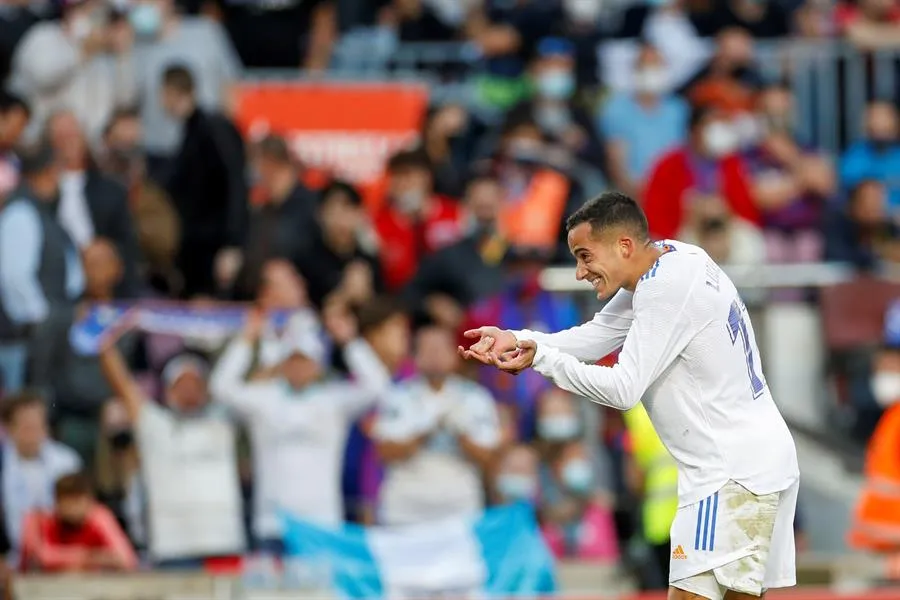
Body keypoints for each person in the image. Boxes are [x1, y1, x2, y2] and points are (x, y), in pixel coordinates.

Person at [460, 191, 799, 600]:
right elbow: (597, 336)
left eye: (585, 255)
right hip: (752, 460)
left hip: (729, 473)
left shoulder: (663, 290)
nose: (580, 272)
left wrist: (543, 359)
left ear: (623, 245)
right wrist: (518, 339)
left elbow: (623, 389)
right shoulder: (675, 258)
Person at [19, 472, 138, 573]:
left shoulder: (100, 518)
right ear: (56, 503)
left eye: (78, 502)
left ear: (90, 501)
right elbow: (41, 557)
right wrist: (90, 557)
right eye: (68, 502)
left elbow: (126, 560)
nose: (73, 509)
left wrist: (74, 562)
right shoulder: (38, 521)